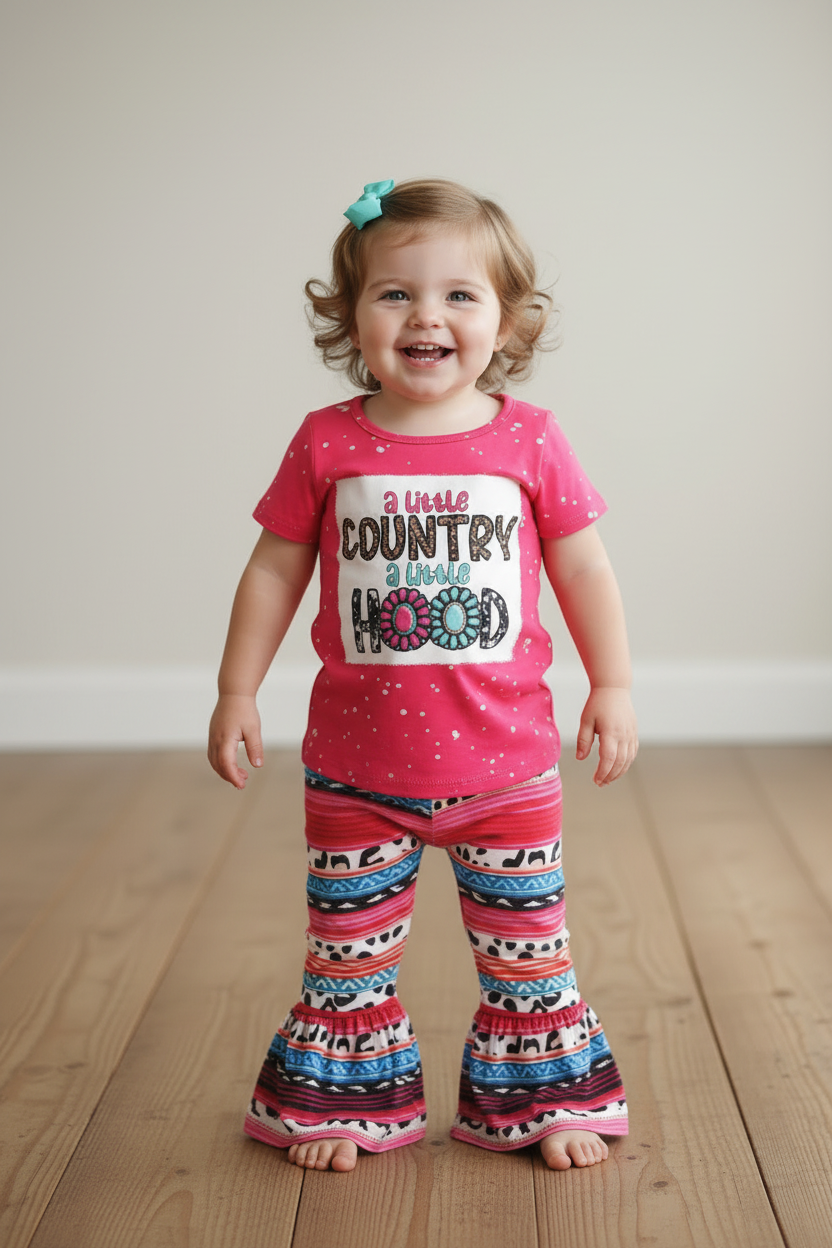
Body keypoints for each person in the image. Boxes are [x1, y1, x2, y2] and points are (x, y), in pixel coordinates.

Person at [208, 178, 638, 1174]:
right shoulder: (328, 440)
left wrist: (609, 684)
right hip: (356, 775)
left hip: (509, 771)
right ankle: (347, 1105)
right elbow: (275, 566)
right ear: (349, 315)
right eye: (393, 294)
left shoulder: (528, 440)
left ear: (506, 319)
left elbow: (582, 563)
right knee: (346, 956)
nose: (425, 316)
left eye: (458, 295)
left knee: (527, 951)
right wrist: (238, 688)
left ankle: (541, 1100)